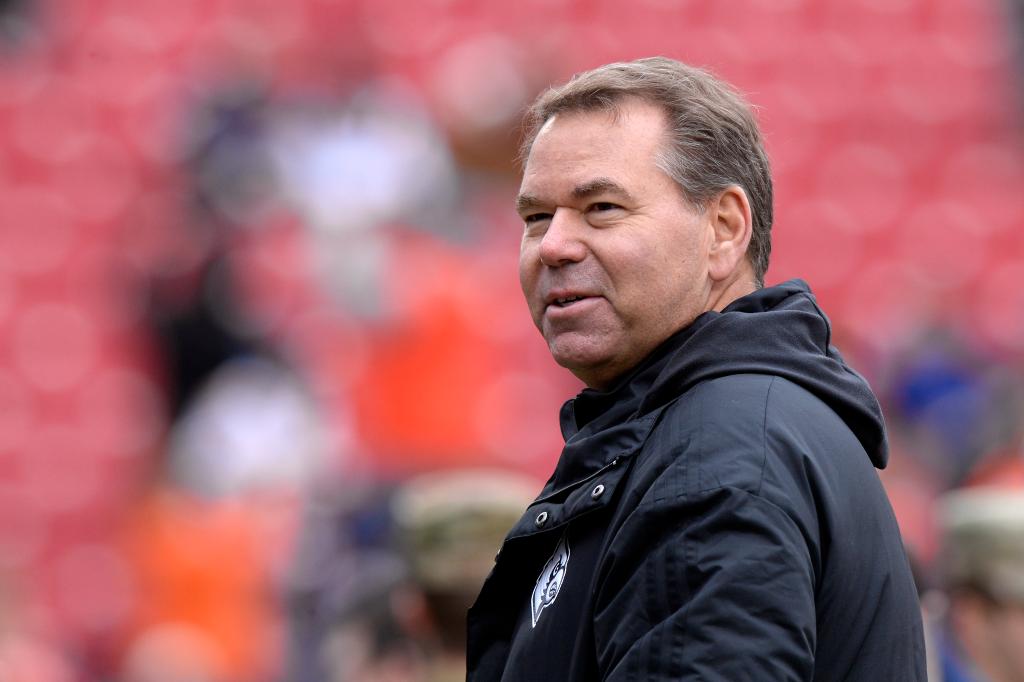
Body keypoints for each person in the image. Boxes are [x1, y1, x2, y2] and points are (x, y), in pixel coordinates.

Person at [466, 57, 926, 681]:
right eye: (536, 218)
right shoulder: (721, 429)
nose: (552, 245)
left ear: (725, 229)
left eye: (601, 207)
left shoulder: (718, 456)